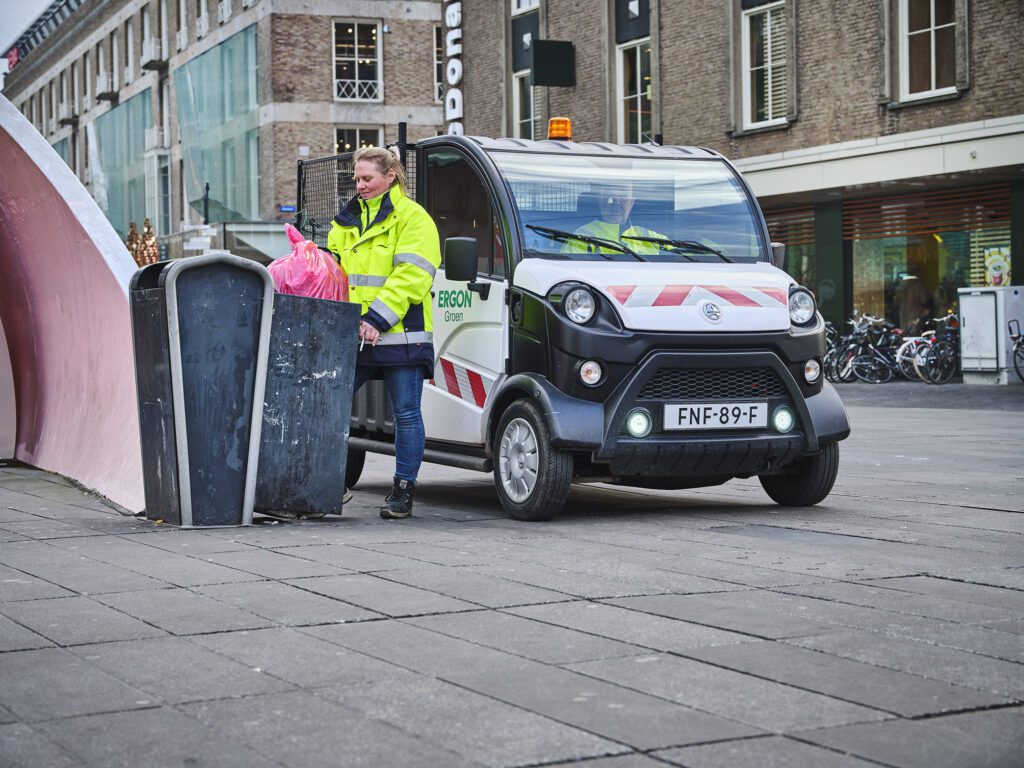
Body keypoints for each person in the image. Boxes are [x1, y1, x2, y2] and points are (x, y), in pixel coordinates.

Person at [327, 146, 441, 519]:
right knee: (330, 405)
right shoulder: (345, 221)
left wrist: (375, 320)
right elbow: (334, 272)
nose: (359, 186)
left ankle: (403, 491)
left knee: (406, 413)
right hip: (355, 331)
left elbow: (412, 276)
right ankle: (329, 482)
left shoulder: (413, 218)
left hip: (398, 333)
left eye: (367, 179)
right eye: (356, 179)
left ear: (390, 176)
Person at [562, 183, 665, 256]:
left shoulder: (648, 235)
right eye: (608, 195)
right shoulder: (581, 238)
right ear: (599, 201)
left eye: (622, 196)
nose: (615, 202)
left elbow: (678, 253)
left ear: (632, 202)